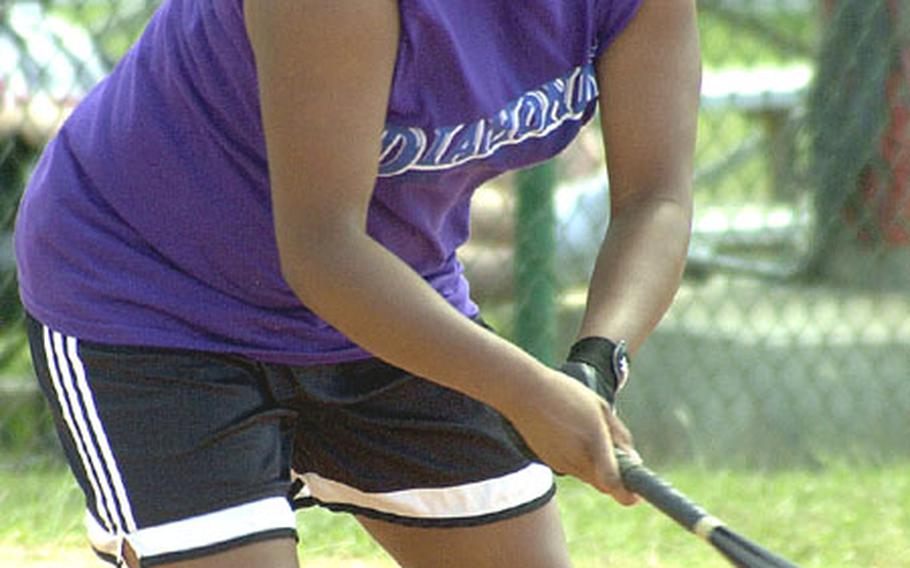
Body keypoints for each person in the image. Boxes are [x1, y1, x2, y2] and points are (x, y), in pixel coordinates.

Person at [13, 0, 700, 566]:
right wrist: (525, 392)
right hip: (152, 294)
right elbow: (321, 251)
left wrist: (592, 369)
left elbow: (656, 202)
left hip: (389, 296)